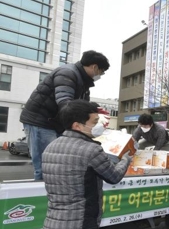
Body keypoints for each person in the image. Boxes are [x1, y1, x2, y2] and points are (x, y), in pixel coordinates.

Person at [41, 100, 132, 229]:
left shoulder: (51, 146)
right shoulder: (90, 150)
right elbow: (113, 176)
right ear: (77, 125)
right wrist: (126, 159)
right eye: (94, 121)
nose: (99, 125)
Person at [20, 50, 110, 180]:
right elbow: (65, 103)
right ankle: (42, 195)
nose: (100, 75)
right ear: (94, 67)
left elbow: (80, 104)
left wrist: (94, 109)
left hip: (54, 123)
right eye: (101, 72)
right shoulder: (68, 73)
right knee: (46, 165)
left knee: (57, 164)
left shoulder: (83, 81)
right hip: (40, 121)